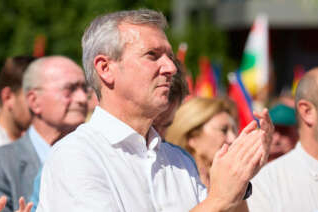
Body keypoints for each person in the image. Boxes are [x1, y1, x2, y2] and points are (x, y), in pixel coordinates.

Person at [37, 9, 273, 212]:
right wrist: (218, 199)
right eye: (153, 55)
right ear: (106, 68)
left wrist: (239, 181)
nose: (170, 67)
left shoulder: (179, 161)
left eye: (170, 57)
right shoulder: (75, 156)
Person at [0, 56, 88, 212]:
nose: (82, 98)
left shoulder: (102, 152)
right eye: (69, 89)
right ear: (34, 101)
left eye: (85, 88)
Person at [247, 68, 318, 211]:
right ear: (307, 112)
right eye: (272, 131)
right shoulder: (265, 183)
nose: (276, 139)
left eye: (284, 131)